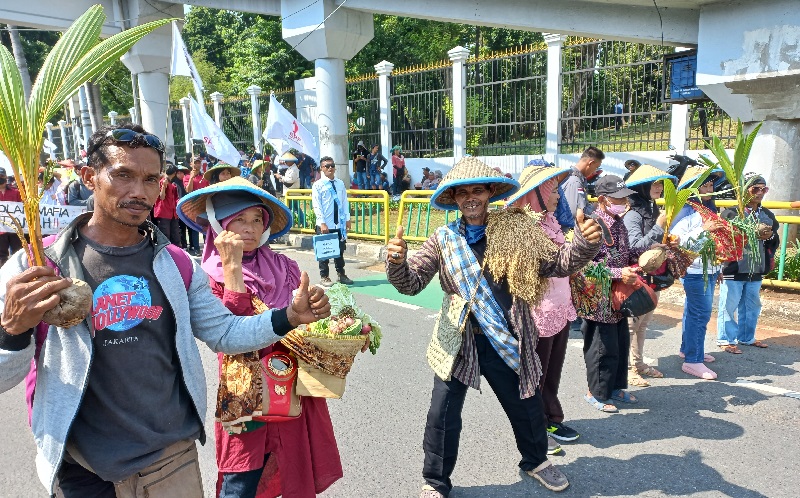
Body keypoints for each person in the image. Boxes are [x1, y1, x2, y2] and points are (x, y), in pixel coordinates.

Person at [0, 123, 330, 497]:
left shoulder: (176, 264)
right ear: (90, 177)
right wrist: (12, 332)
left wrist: (287, 316)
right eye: (123, 175)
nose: (138, 192)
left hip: (170, 460)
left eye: (150, 179)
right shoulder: (36, 266)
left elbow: (224, 333)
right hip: (81, 469)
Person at [386, 157, 602, 496]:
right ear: (454, 199)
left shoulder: (515, 230)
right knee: (442, 413)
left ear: (490, 192)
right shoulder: (442, 240)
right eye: (462, 193)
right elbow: (411, 283)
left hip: (507, 335)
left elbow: (557, 264)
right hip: (459, 340)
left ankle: (536, 461)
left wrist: (585, 244)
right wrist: (396, 262)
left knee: (525, 402)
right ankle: (435, 481)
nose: (470, 198)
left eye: (477, 190)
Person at [178, 177, 343, 497]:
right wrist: (232, 268)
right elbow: (231, 336)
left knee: (293, 471)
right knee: (240, 481)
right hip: (244, 396)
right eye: (238, 219)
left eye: (256, 219)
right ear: (218, 224)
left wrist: (323, 311)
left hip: (291, 390)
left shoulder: (285, 266)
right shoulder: (206, 278)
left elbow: (307, 325)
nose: (249, 228)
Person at [507, 164, 582, 456]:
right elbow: (547, 264)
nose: (558, 196)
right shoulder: (522, 229)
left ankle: (551, 419)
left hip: (560, 307)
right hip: (537, 313)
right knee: (534, 374)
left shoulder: (551, 222)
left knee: (552, 372)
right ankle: (536, 428)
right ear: (536, 193)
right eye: (552, 189)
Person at [579, 175, 642, 413]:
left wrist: (651, 250)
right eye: (619, 198)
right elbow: (585, 266)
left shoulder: (618, 221)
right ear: (603, 199)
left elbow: (628, 253)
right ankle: (596, 393)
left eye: (625, 197)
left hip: (617, 297)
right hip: (598, 298)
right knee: (601, 348)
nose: (624, 201)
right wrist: (618, 273)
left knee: (619, 344)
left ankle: (614, 388)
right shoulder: (591, 224)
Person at [622, 165, 678, 387]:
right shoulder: (633, 215)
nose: (658, 187)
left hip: (655, 277)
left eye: (660, 184)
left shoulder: (654, 209)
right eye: (654, 184)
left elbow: (655, 243)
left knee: (643, 325)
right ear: (642, 187)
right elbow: (635, 247)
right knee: (630, 326)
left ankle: (638, 363)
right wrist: (658, 226)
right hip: (636, 279)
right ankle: (626, 370)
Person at [671, 167, 724, 379]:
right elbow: (679, 244)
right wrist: (705, 230)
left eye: (711, 184)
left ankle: (689, 349)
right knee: (700, 314)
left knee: (693, 312)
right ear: (693, 189)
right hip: (693, 270)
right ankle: (693, 360)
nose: (710, 188)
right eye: (705, 185)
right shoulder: (685, 212)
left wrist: (717, 267)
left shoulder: (708, 209)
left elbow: (716, 243)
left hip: (708, 269)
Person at [716, 173, 779, 352]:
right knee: (729, 305)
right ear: (744, 190)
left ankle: (746, 337)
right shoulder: (731, 213)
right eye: (755, 189)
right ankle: (725, 340)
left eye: (763, 189)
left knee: (752, 305)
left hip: (756, 267)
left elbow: (774, 240)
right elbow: (723, 240)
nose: (760, 193)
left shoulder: (766, 214)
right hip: (734, 267)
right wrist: (747, 233)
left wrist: (770, 236)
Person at [312, 156, 353, 287]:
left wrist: (347, 219)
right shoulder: (318, 185)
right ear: (321, 169)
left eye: (332, 165)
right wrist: (322, 222)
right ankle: (324, 276)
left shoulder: (340, 183)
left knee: (340, 251)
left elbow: (344, 202)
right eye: (327, 166)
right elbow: (317, 205)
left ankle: (341, 274)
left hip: (339, 224)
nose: (330, 168)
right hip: (326, 224)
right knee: (325, 251)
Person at [559, 146, 604, 218]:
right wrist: (597, 208)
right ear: (590, 163)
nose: (595, 171)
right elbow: (575, 214)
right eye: (596, 167)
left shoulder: (578, 178)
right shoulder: (575, 181)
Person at [185, 157, 210, 255]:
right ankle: (196, 248)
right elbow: (188, 190)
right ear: (191, 164)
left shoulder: (205, 176)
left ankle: (207, 247)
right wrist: (191, 177)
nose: (197, 164)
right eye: (195, 162)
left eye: (199, 162)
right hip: (193, 205)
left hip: (204, 205)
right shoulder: (187, 176)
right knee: (195, 228)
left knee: (205, 226)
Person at [152, 165, 181, 247]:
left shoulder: (172, 184)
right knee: (165, 235)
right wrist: (164, 187)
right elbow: (162, 197)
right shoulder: (162, 182)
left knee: (175, 235)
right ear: (175, 173)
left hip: (172, 213)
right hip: (164, 212)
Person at [0, 167, 23, 266]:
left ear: (5, 177)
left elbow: (22, 208)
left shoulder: (16, 192)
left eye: (2, 176)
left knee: (18, 253)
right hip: (0, 231)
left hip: (15, 229)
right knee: (2, 256)